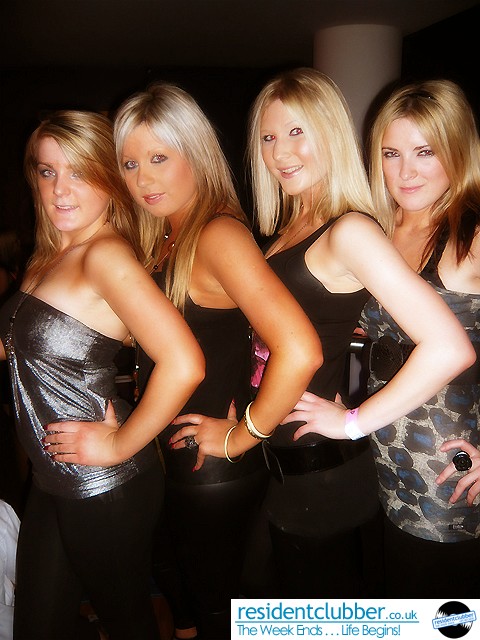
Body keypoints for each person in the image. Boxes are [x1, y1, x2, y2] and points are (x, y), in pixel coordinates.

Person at [75, 83, 319, 640]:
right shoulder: (165, 236)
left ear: (197, 154)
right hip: (176, 454)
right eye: (130, 164)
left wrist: (244, 435)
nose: (144, 179)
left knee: (219, 612)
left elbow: (300, 348)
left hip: (212, 465)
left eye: (159, 158)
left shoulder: (218, 234)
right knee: (184, 591)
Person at [223, 67, 474, 599]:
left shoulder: (467, 231)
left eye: (424, 152)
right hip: (380, 452)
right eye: (391, 153)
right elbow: (364, 337)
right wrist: (352, 396)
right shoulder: (385, 225)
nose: (405, 171)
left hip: (445, 460)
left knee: (438, 619)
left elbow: (450, 347)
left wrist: (353, 420)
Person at [0, 110, 205, 640]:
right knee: (37, 626)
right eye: (48, 172)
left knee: (127, 623)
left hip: (103, 483)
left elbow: (184, 362)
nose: (60, 189)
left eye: (79, 172)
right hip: (51, 477)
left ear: (109, 180)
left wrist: (119, 444)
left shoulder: (105, 255)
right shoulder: (51, 254)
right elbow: (20, 346)